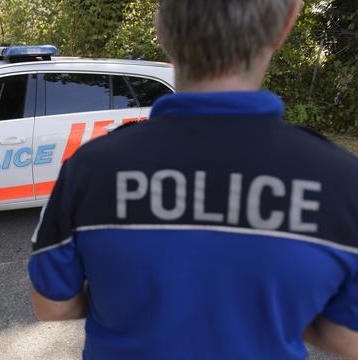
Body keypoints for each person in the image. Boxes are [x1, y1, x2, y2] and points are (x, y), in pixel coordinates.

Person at [27, 0, 358, 358]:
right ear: (287, 21)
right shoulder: (341, 181)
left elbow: (53, 306)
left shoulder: (89, 169)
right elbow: (349, 338)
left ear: (162, 28)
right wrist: (277, 309)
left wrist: (121, 293)